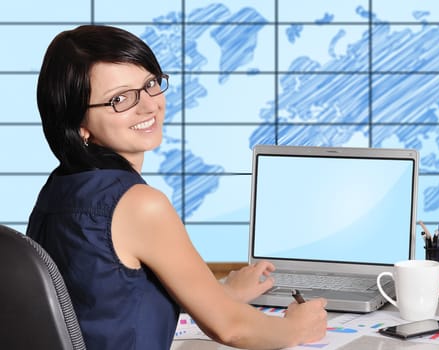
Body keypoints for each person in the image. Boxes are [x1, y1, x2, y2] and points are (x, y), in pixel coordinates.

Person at [27, 25, 327, 350]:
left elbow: (102, 302)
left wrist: (224, 291)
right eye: (119, 99)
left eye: (150, 84)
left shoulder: (58, 188)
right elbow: (232, 328)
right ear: (79, 124)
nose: (148, 106)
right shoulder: (138, 204)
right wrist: (298, 327)